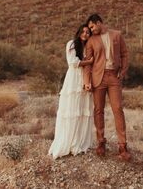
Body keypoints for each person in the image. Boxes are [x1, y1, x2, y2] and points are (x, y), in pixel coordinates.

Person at [83, 14, 131, 161]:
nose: (90, 30)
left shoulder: (117, 35)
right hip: (98, 78)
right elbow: (87, 63)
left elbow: (125, 54)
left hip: (114, 77)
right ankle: (101, 142)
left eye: (92, 27)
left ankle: (122, 145)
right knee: (98, 110)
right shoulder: (91, 40)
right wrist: (87, 81)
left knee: (118, 109)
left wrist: (122, 72)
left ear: (98, 23)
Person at [48, 24, 94, 159]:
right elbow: (73, 63)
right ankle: (67, 142)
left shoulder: (88, 47)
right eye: (83, 31)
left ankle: (79, 142)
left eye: (88, 32)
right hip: (74, 78)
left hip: (85, 78)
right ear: (79, 32)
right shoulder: (71, 44)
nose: (85, 34)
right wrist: (89, 61)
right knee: (71, 108)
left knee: (82, 109)